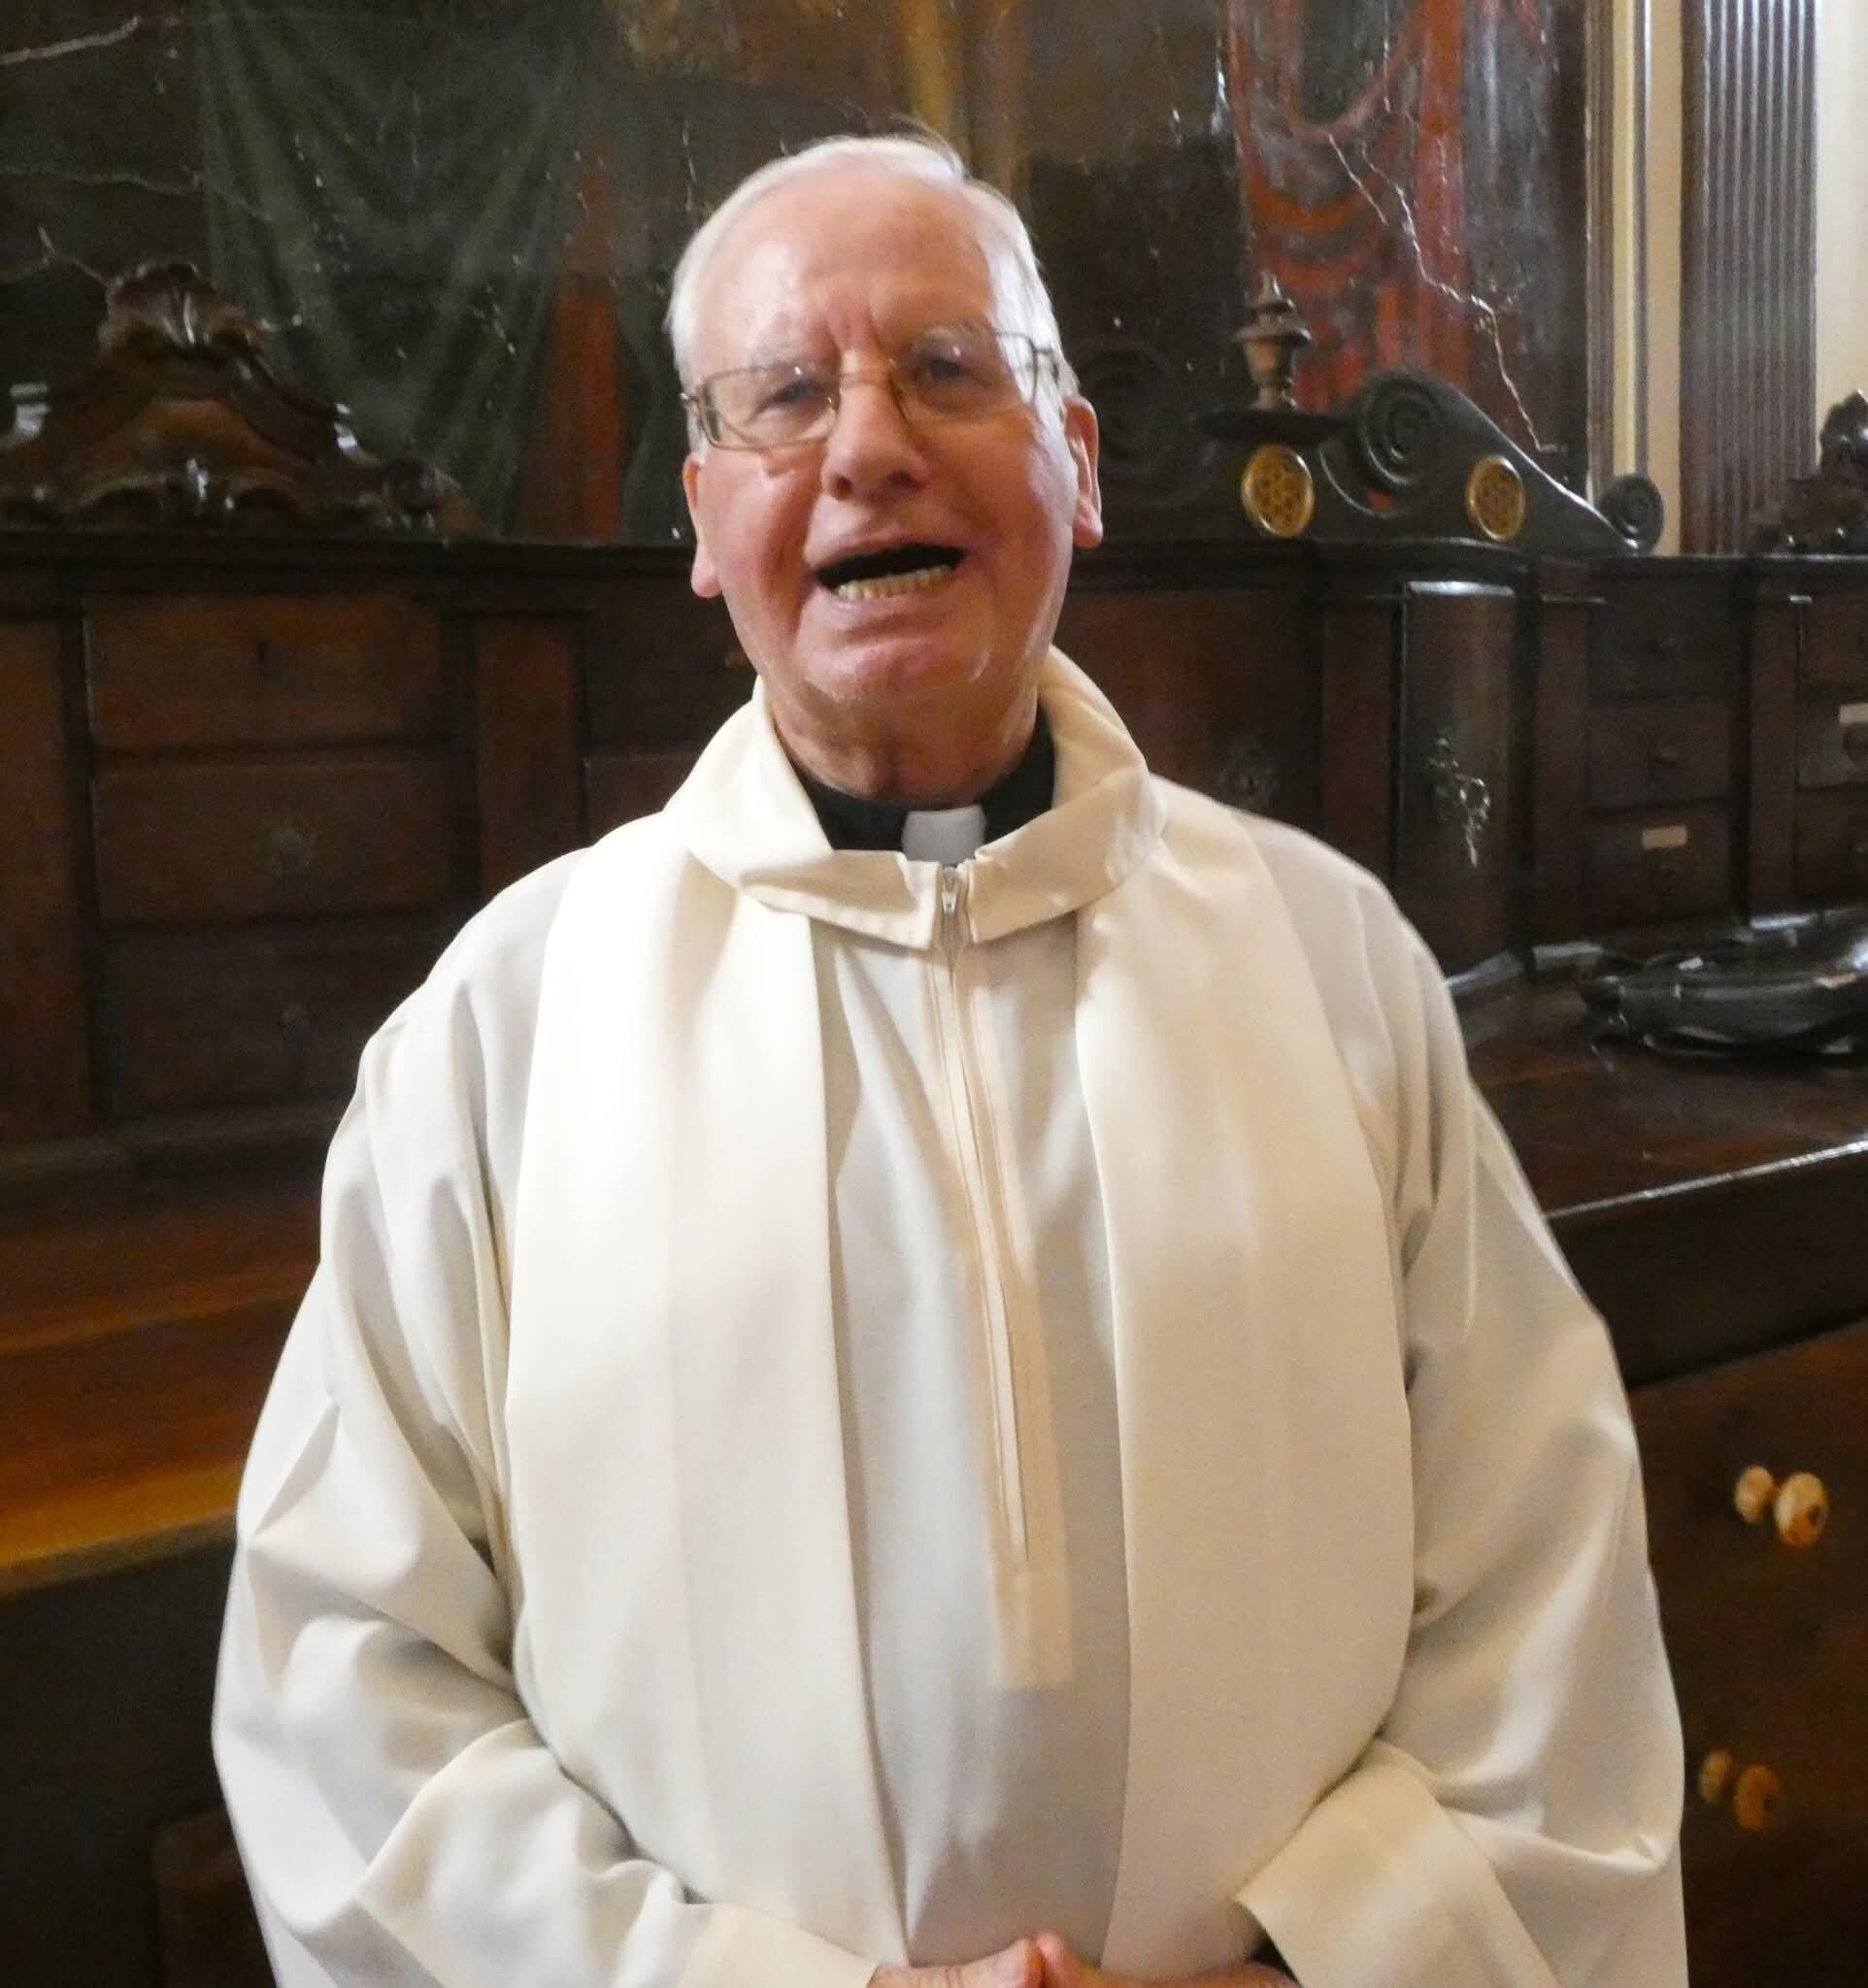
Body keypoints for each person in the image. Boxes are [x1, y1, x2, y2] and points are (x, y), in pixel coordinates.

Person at [214, 132, 1688, 1988]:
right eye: (782, 396)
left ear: (1074, 466)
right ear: (702, 515)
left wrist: (1321, 1965)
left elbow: (1537, 1575)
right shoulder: (506, 1034)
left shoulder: (1327, 970)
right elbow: (349, 1680)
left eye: (948, 370)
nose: (867, 447)